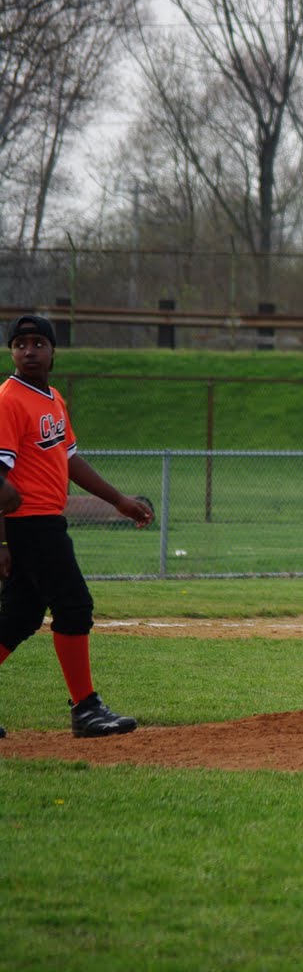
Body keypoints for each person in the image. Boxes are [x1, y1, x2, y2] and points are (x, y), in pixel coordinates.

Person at [0, 314, 153, 738]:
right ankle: (85, 709)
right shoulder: (8, 400)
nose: (29, 351)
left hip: (45, 520)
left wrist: (119, 501)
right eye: (20, 344)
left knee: (19, 618)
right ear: (11, 353)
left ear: (53, 351)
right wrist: (2, 543)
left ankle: (86, 709)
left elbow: (69, 459)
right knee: (73, 606)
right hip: (30, 523)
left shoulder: (52, 399)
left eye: (38, 343)